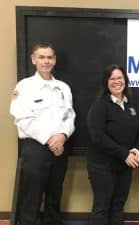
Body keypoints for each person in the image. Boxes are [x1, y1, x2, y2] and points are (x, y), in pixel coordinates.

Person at [10, 42, 76, 225]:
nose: (46, 61)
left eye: (49, 57)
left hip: (60, 149)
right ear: (33, 59)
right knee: (31, 200)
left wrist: (62, 135)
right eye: (41, 57)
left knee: (54, 198)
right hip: (36, 149)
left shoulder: (63, 87)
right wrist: (49, 139)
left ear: (54, 60)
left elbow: (70, 116)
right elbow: (22, 119)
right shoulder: (24, 87)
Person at [86, 64, 139, 225]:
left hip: (125, 167)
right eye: (112, 78)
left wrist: (137, 149)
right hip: (102, 167)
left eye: (120, 78)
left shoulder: (132, 105)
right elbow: (97, 137)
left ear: (125, 80)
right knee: (102, 207)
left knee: (118, 207)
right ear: (106, 82)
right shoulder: (100, 105)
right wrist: (124, 154)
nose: (117, 81)